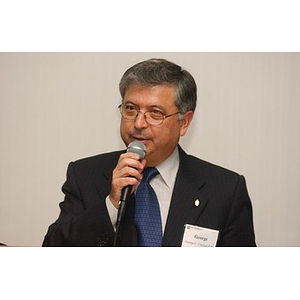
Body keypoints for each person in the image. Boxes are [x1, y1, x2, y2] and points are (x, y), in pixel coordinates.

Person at [42, 58, 256, 247]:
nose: (138, 123)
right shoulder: (84, 175)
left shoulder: (225, 190)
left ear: (184, 122)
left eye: (155, 113)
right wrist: (111, 204)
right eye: (130, 109)